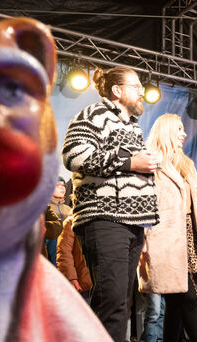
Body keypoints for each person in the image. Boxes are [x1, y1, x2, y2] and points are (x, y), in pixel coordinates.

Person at [62, 66, 159, 341]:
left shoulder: (132, 126)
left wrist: (145, 166)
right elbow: (74, 155)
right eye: (137, 86)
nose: (142, 92)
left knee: (121, 304)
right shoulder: (93, 115)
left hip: (131, 223)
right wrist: (130, 162)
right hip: (104, 219)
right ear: (117, 91)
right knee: (111, 304)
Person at [137, 114, 197, 342]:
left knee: (177, 303)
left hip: (188, 236)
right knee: (186, 298)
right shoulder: (149, 160)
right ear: (167, 131)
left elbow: (190, 203)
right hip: (164, 240)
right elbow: (141, 203)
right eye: (179, 129)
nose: (184, 133)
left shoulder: (186, 163)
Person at [56, 213, 92, 301]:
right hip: (82, 285)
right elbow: (63, 252)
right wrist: (71, 277)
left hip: (103, 283)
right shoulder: (70, 222)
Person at [47, 178, 72, 266]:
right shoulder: (45, 208)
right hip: (52, 247)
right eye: (58, 185)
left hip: (68, 245)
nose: (62, 188)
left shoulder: (68, 209)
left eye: (63, 186)